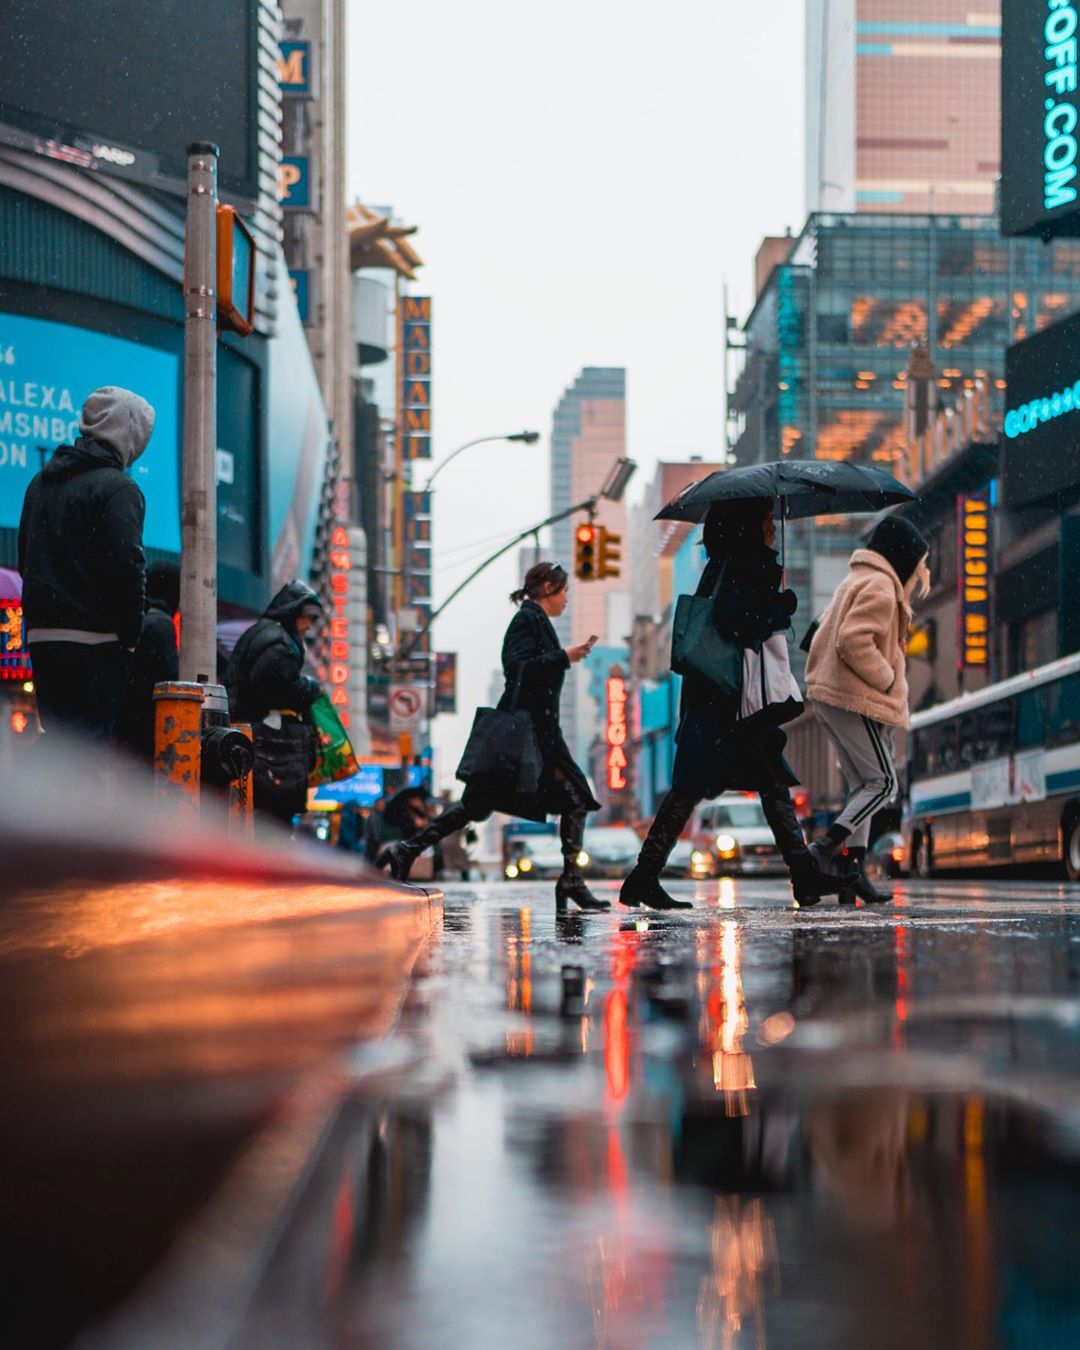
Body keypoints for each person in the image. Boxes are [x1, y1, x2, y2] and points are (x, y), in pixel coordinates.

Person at [620, 498, 854, 911]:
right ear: (749, 526)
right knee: (711, 784)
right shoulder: (748, 563)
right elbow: (734, 620)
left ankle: (801, 874)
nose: (773, 528)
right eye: (767, 520)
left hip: (718, 694)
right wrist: (780, 606)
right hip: (730, 700)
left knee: (759, 781)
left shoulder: (725, 562)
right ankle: (644, 876)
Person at [377, 560, 607, 910]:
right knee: (487, 805)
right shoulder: (527, 619)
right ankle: (570, 881)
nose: (566, 599)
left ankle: (571, 880)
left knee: (567, 800)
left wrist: (563, 656)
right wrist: (564, 656)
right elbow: (517, 668)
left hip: (541, 736)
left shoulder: (537, 620)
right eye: (563, 592)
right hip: (526, 735)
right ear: (547, 589)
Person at [805, 515, 930, 905]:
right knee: (884, 783)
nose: (922, 571)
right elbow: (853, 640)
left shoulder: (856, 580)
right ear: (905, 558)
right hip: (852, 696)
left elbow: (818, 630)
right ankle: (825, 848)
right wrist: (889, 678)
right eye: (920, 562)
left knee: (863, 786)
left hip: (832, 695)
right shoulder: (879, 585)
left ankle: (851, 874)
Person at [18, 386, 154, 743]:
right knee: (92, 754)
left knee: (62, 748)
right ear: (129, 433)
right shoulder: (118, 489)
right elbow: (127, 566)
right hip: (97, 643)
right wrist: (130, 635)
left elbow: (25, 559)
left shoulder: (40, 483)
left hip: (42, 640)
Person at [225, 580, 324, 829]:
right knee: (271, 816)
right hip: (268, 744)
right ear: (294, 612)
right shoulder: (279, 643)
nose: (309, 625)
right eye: (308, 617)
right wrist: (310, 688)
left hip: (252, 733)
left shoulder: (267, 634)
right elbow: (277, 687)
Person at [117, 560, 180, 761]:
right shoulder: (161, 624)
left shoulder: (139, 618)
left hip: (124, 731)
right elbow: (168, 682)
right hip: (145, 733)